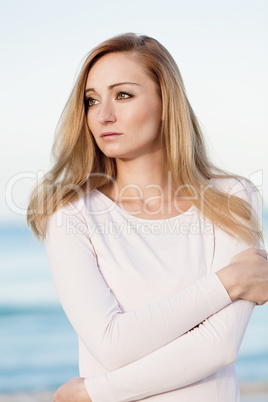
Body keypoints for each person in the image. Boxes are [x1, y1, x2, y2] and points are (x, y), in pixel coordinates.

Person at [27, 33, 268, 402]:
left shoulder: (232, 199)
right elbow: (112, 345)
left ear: (166, 102)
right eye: (92, 100)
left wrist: (93, 393)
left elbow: (219, 347)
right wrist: (228, 282)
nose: (103, 115)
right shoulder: (71, 214)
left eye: (123, 95)